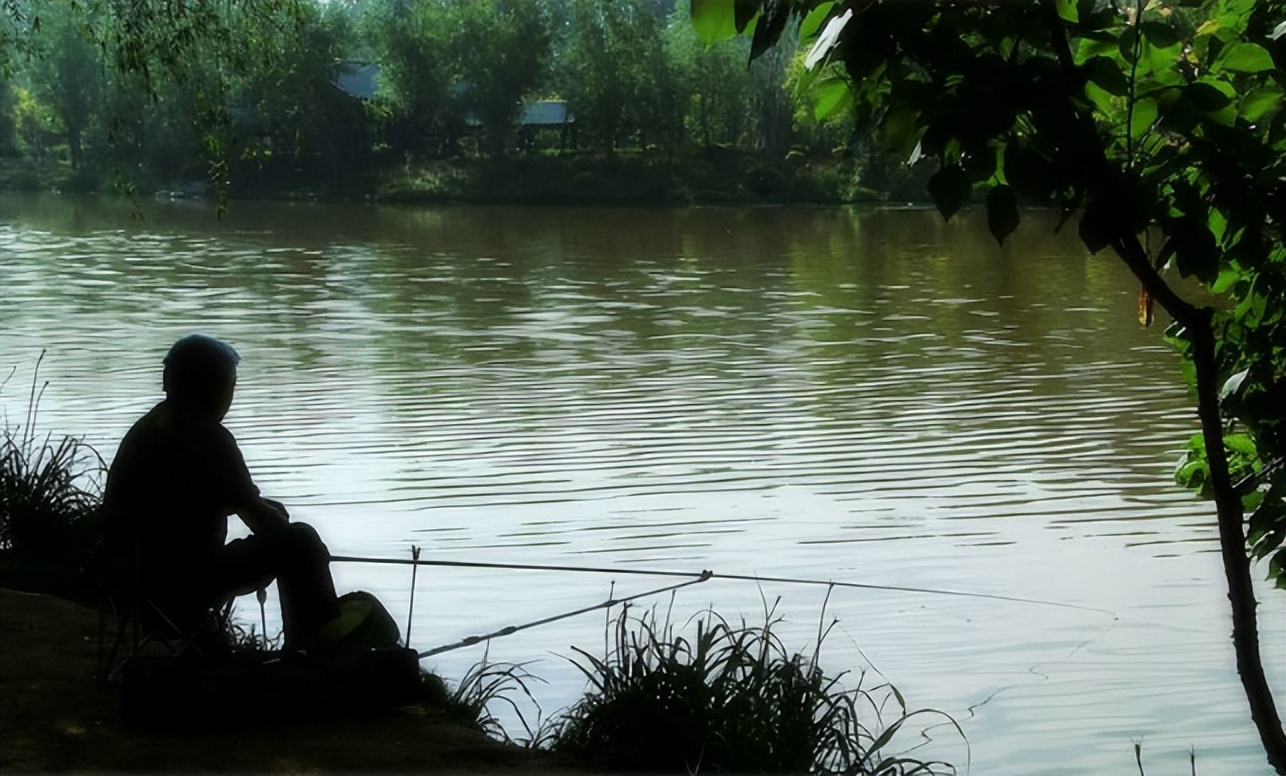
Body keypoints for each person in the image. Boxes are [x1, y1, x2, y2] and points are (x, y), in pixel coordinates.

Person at [99, 334, 340, 653]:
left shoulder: (149, 428)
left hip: (127, 582)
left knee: (286, 532)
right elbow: (261, 521)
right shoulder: (209, 438)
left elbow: (188, 501)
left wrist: (258, 508)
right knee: (301, 541)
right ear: (209, 388)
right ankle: (316, 650)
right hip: (181, 587)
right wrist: (278, 521)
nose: (231, 396)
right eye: (231, 385)